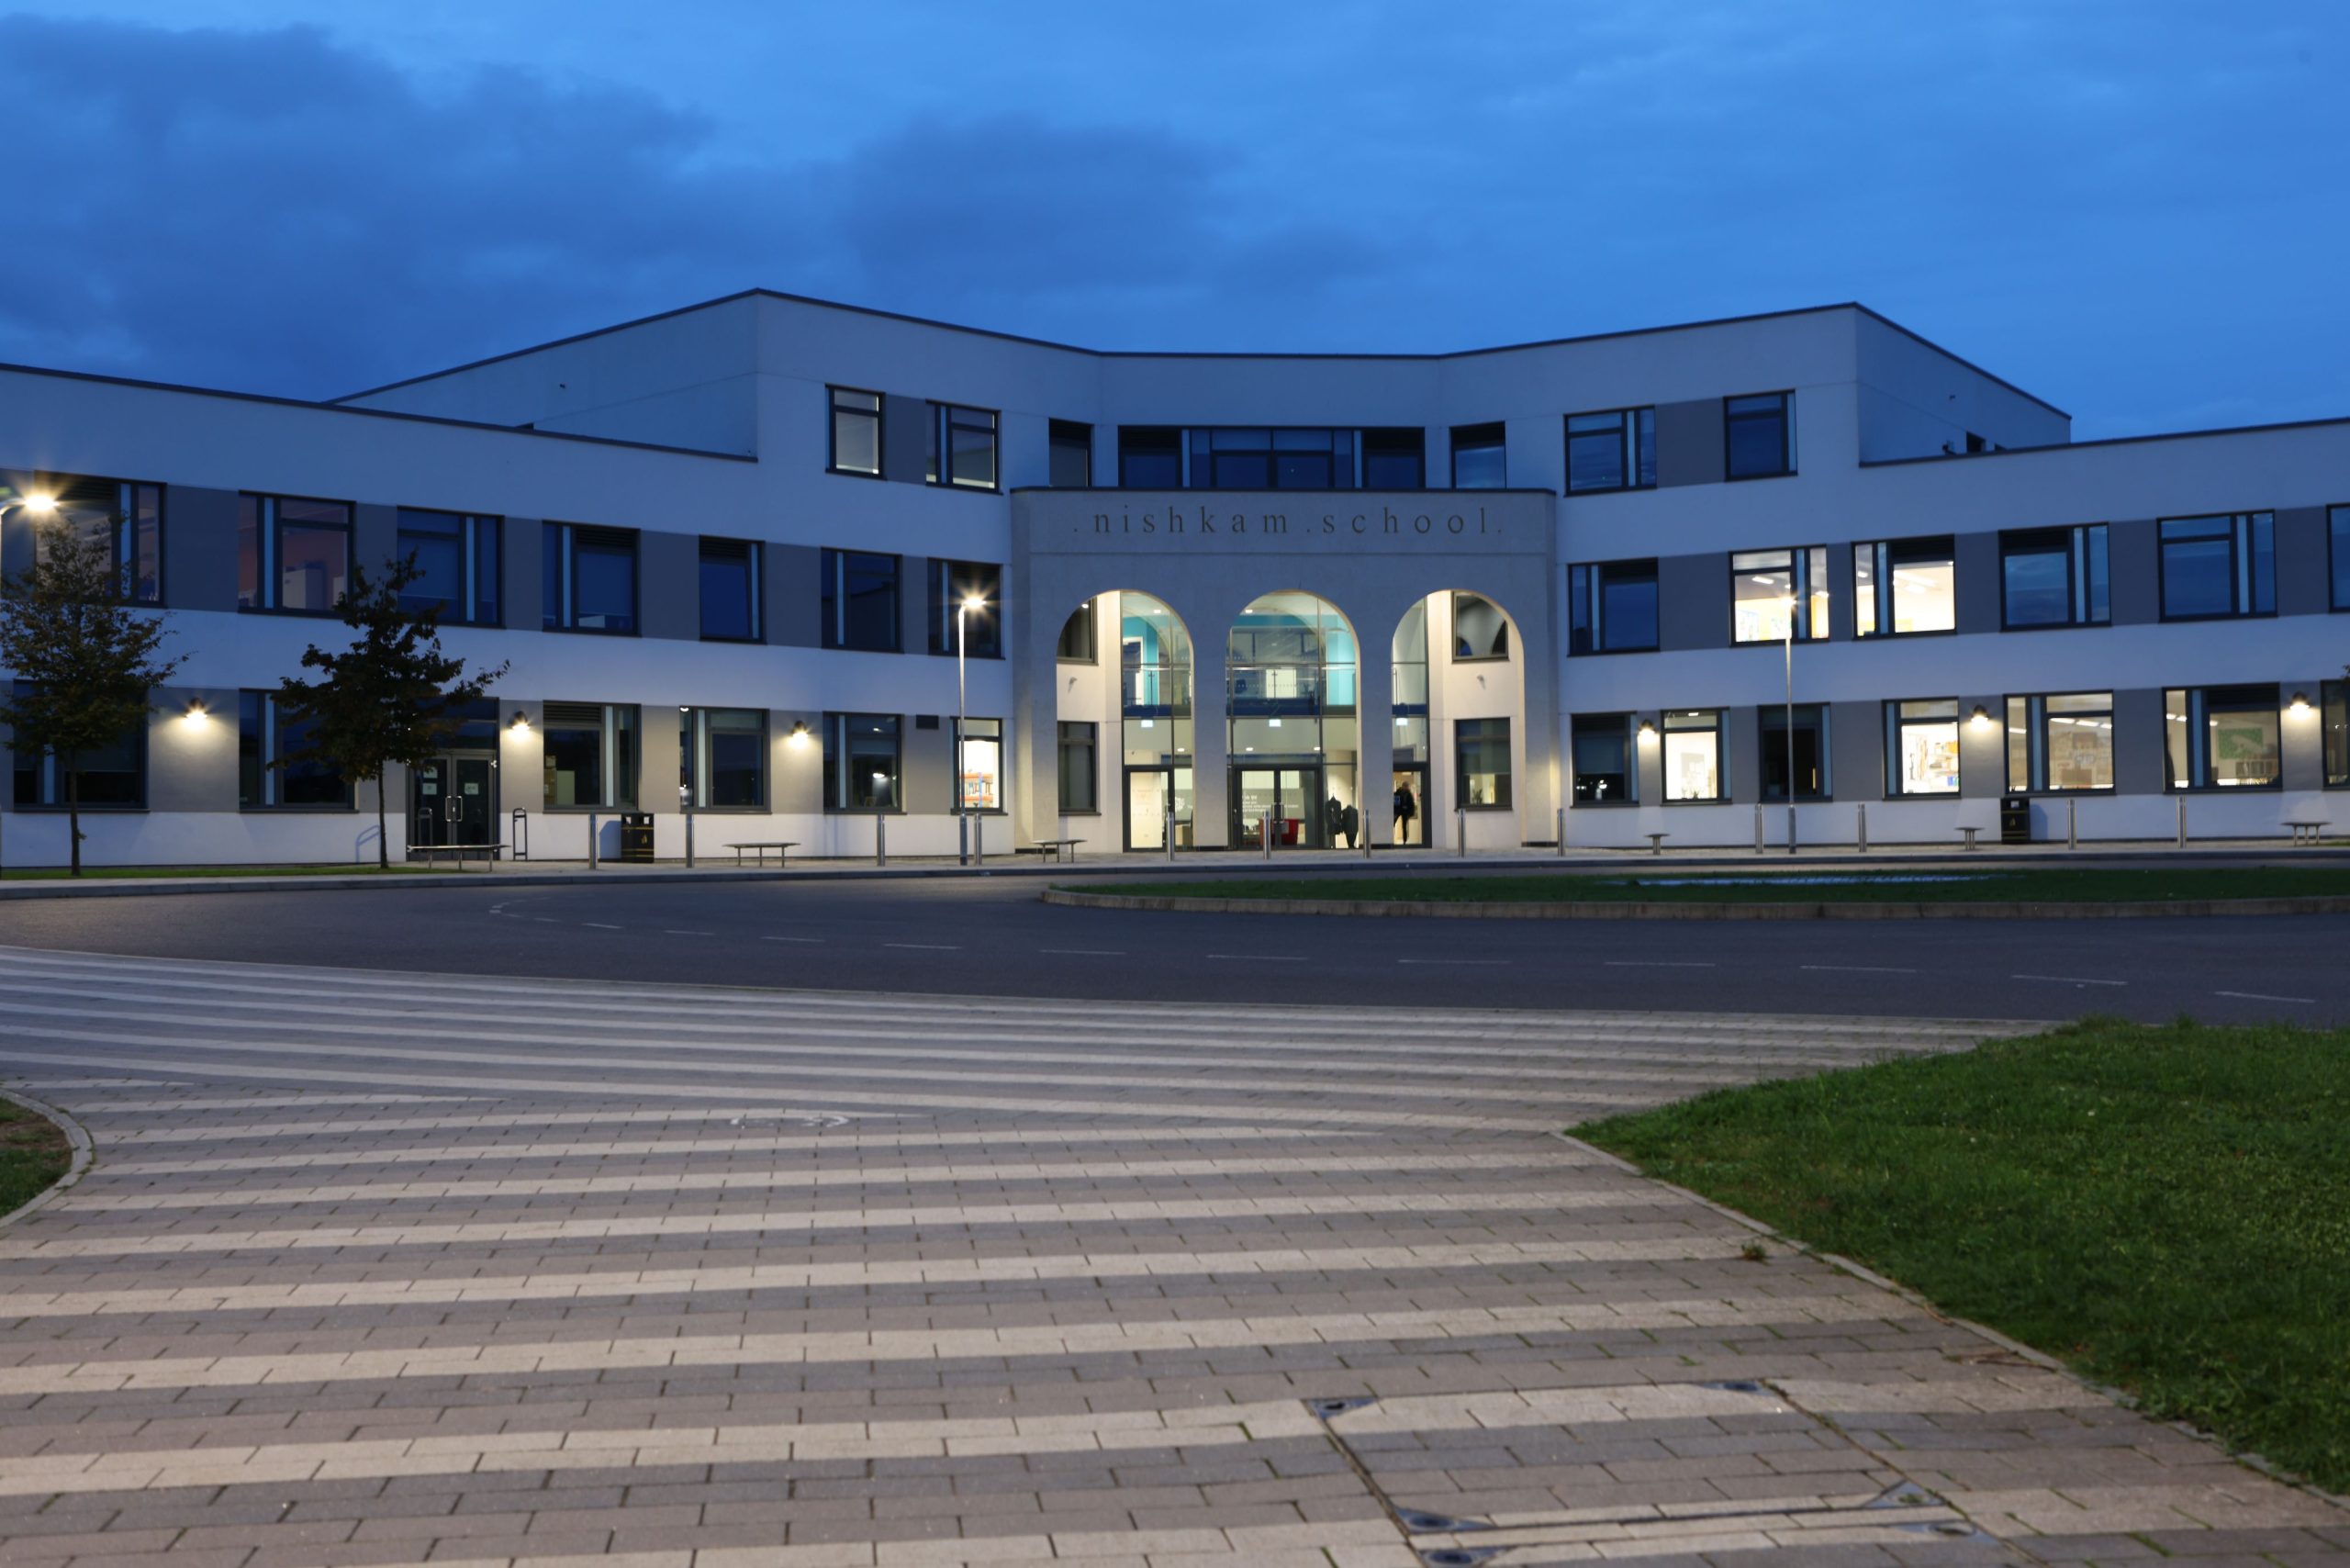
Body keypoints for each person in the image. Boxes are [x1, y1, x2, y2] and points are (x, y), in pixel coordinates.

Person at [1393, 780, 1416, 845]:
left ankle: (1404, 841)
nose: (1407, 788)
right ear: (1403, 786)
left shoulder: (1408, 793)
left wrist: (1410, 813)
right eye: (1406, 786)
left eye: (1407, 787)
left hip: (1404, 812)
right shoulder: (1398, 792)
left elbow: (1411, 804)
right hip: (1398, 811)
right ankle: (1391, 839)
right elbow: (1396, 803)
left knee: (1404, 826)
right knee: (1393, 823)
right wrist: (1395, 812)